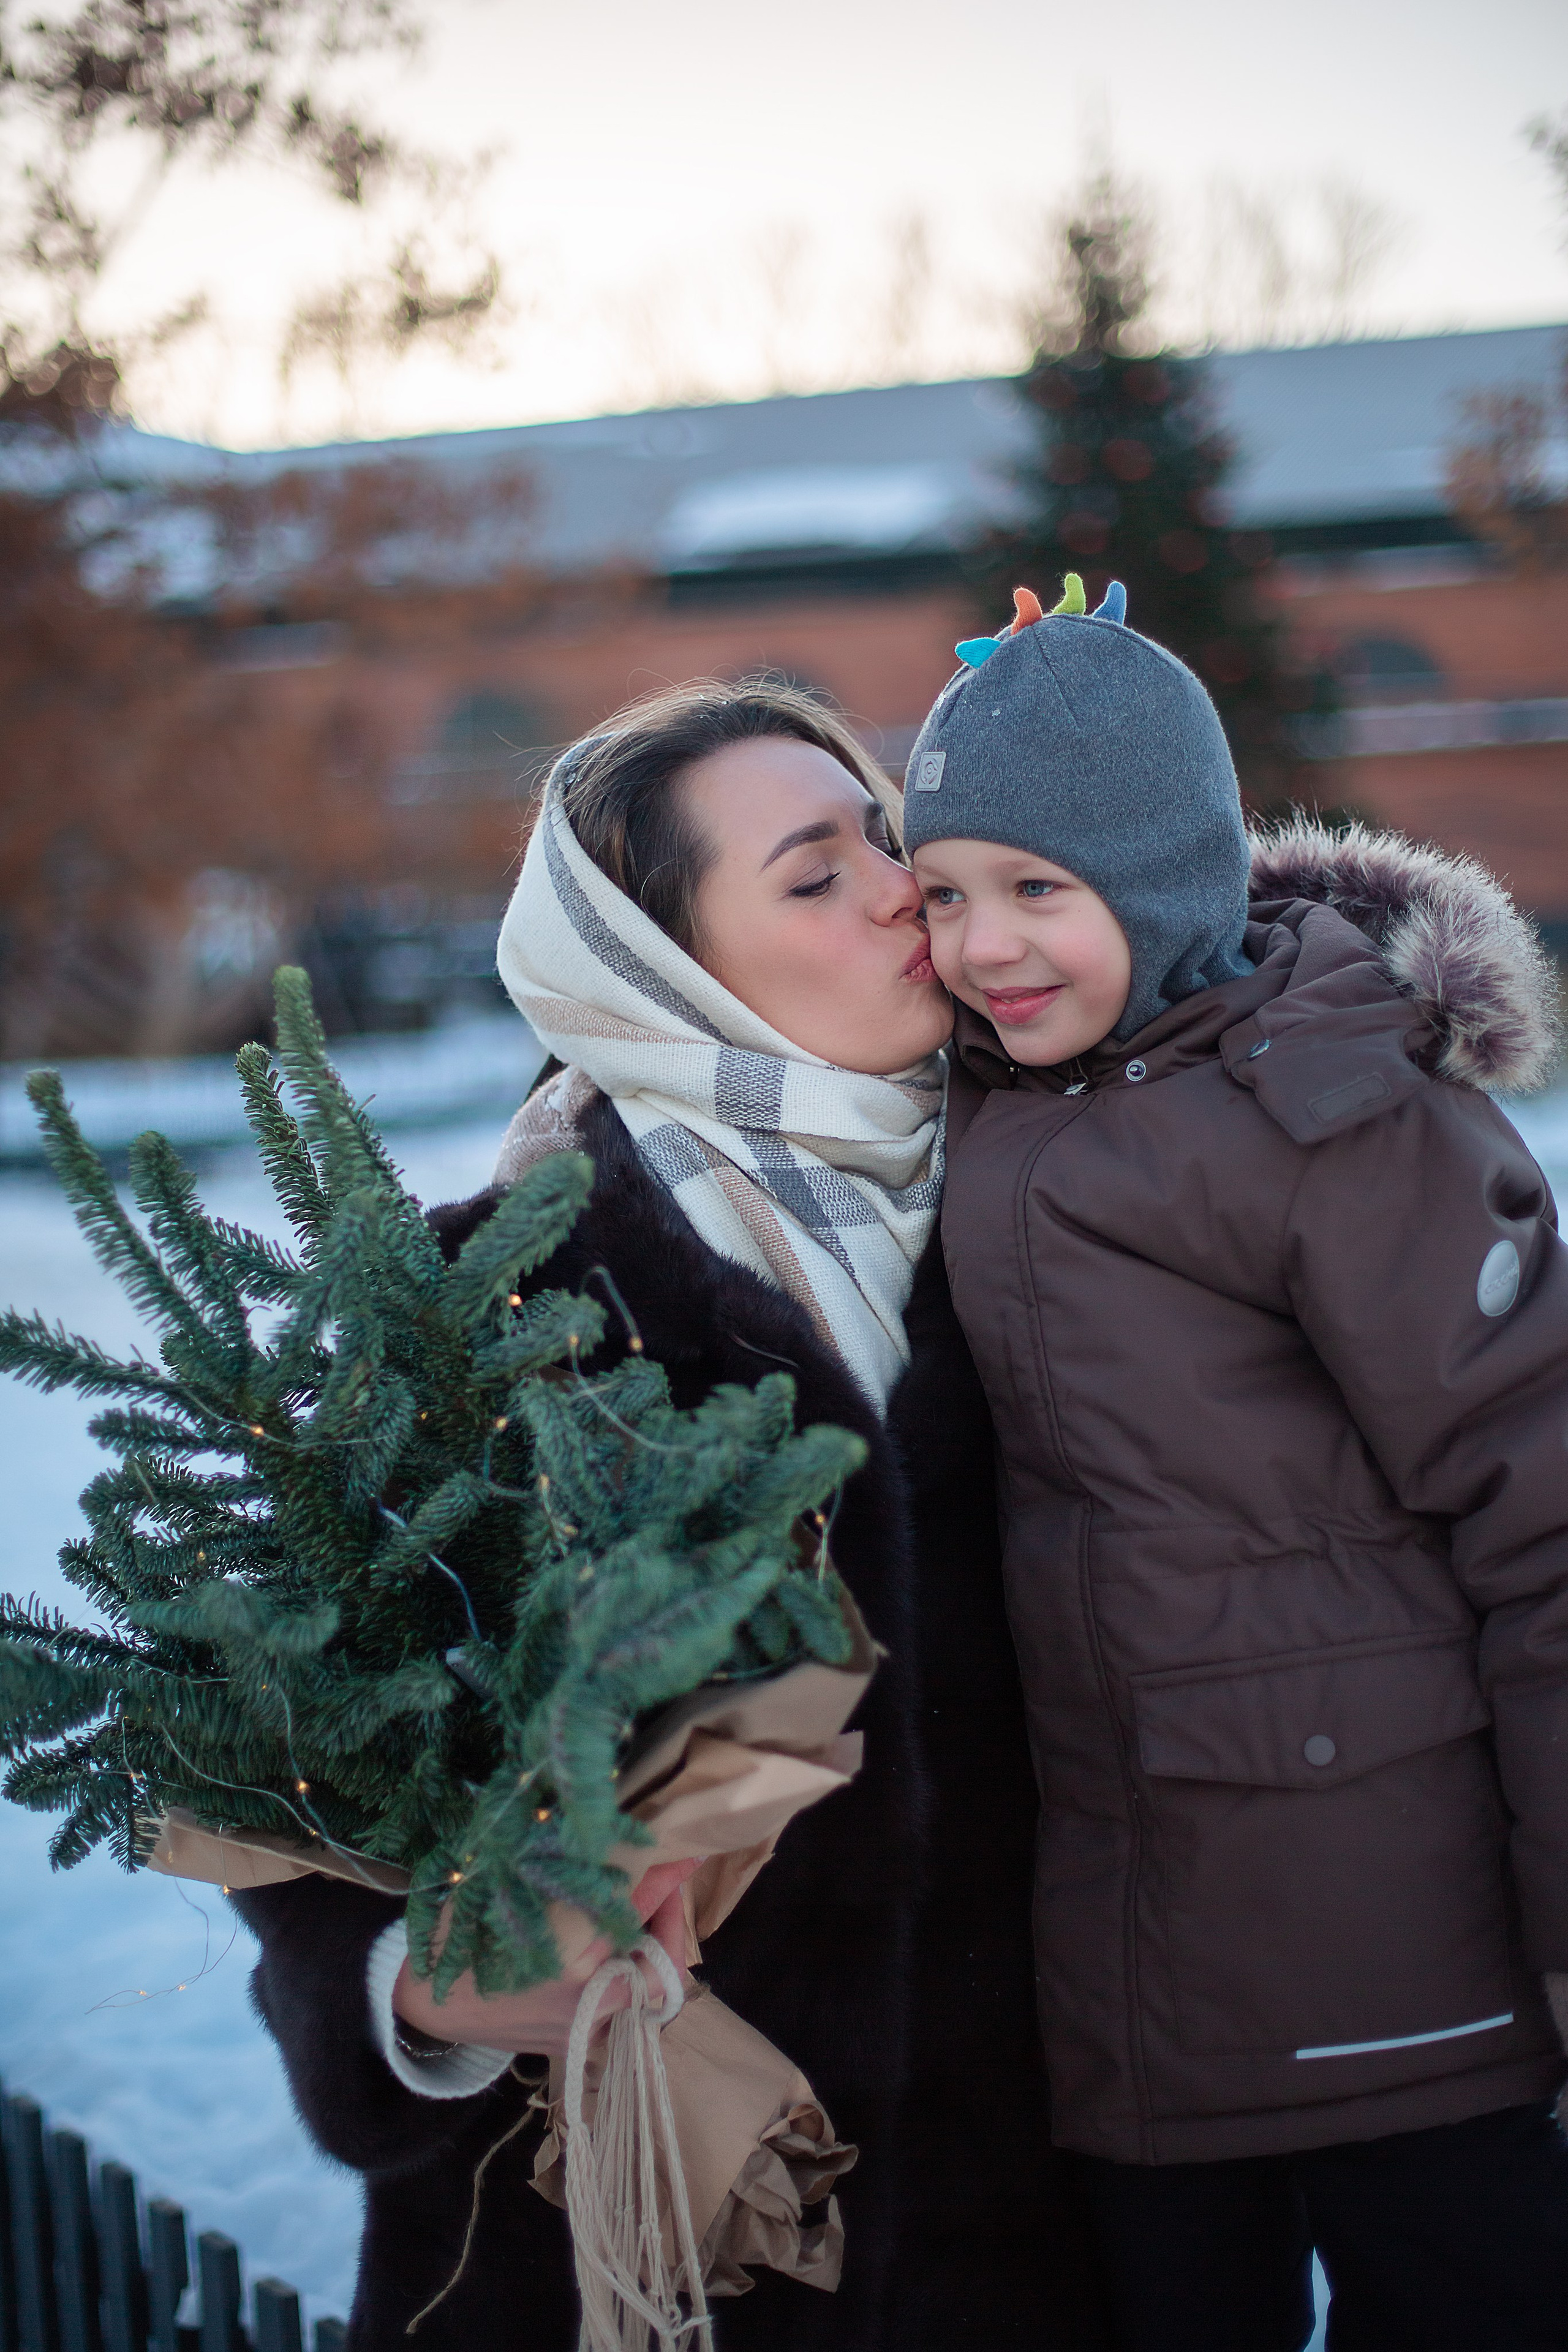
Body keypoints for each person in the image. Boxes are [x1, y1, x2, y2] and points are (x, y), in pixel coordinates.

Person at [232, 679, 1107, 2352]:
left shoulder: (1077, 1215)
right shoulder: (500, 1302)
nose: (895, 884)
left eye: (884, 831)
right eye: (808, 872)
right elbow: (299, 1754)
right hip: (606, 2244)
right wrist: (414, 1993)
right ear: (663, 970)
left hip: (1028, 2230)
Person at [899, 579, 1568, 2352]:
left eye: (1041, 888)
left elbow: (1545, 1515)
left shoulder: (1337, 1115)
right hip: (1128, 1966)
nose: (986, 945)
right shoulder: (988, 1113)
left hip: (1396, 1958)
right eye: (945, 893)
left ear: (1171, 876)